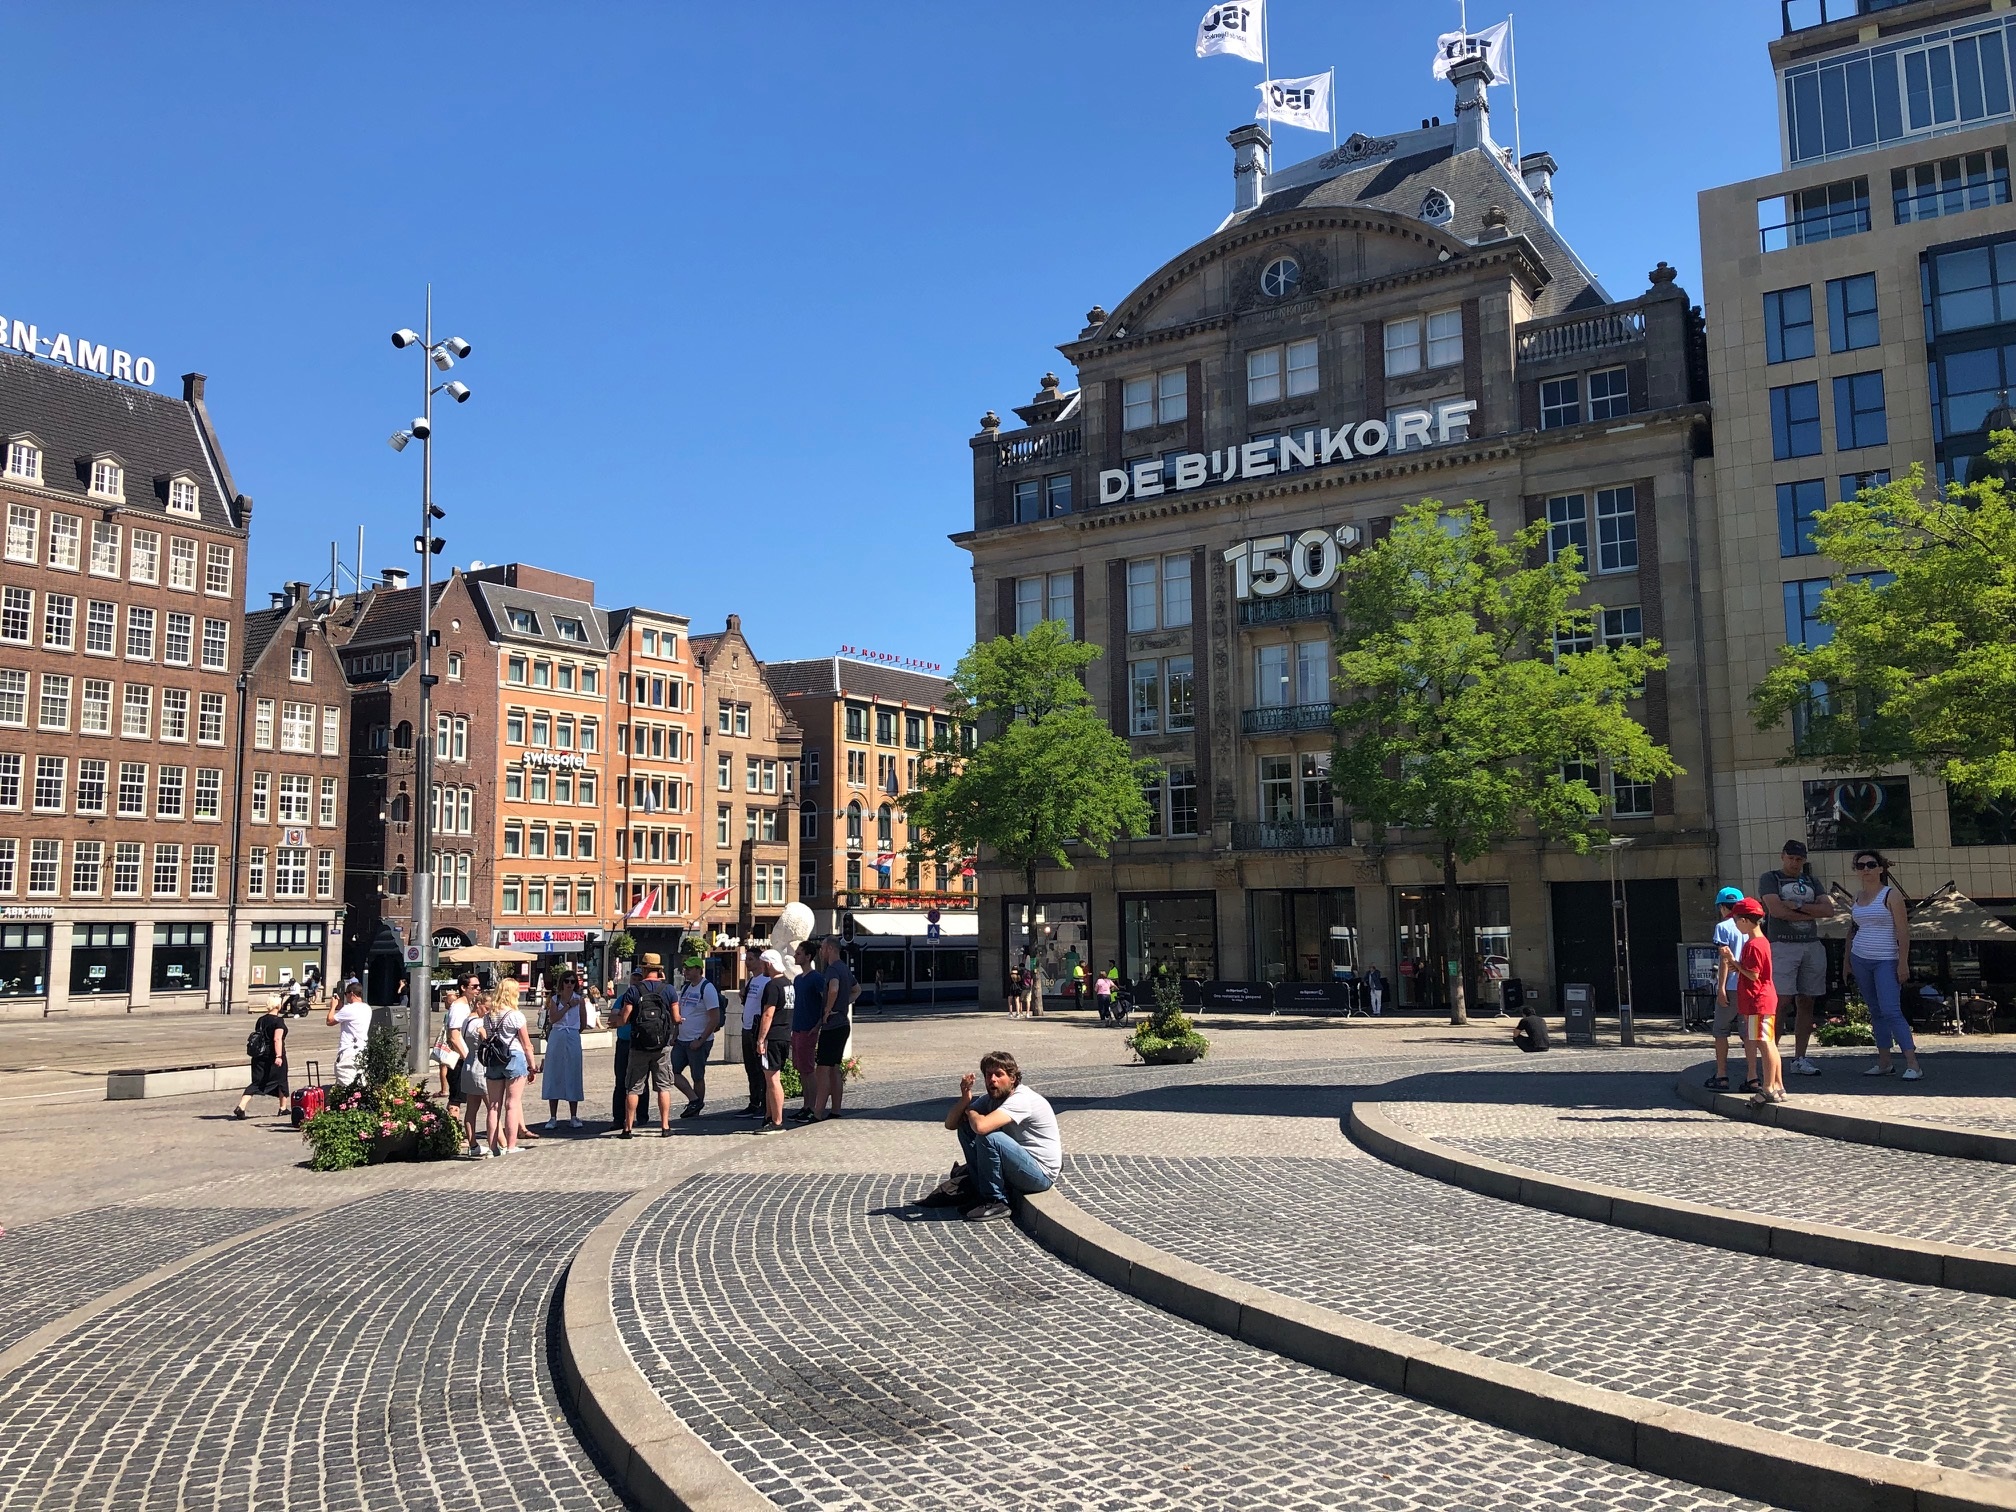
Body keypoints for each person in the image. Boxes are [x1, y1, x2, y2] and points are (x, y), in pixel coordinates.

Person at [938, 1050, 1062, 1222]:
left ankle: (996, 1201)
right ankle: (980, 1191)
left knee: (989, 1137)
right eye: (989, 1075)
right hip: (1019, 1165)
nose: (992, 1080)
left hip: (1040, 1175)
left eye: (999, 1075)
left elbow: (982, 1127)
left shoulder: (1021, 1099)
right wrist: (965, 1100)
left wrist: (972, 1112)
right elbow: (950, 1124)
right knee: (966, 1127)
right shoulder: (992, 1098)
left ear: (1013, 1078)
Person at [1760, 839, 1834, 1077]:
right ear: (1783, 856)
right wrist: (1808, 909)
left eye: (1799, 859)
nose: (1794, 863)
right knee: (1780, 1002)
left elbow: (1828, 910)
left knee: (1807, 1001)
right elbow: (1777, 911)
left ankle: (1800, 1057)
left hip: (1810, 944)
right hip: (1782, 944)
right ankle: (1772, 1056)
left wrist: (1796, 906)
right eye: (1791, 858)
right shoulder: (1770, 878)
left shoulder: (1812, 880)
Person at [1848, 849, 1922, 1080]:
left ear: (1880, 869)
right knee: (1876, 1011)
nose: (1866, 869)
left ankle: (1913, 1064)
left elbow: (1902, 931)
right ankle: (1884, 1061)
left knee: (1891, 1010)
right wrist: (1846, 962)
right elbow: (1852, 930)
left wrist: (1903, 962)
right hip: (1860, 957)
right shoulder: (1857, 897)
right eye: (1861, 866)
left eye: (1871, 865)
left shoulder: (1891, 895)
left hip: (1886, 958)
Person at [1723, 898, 1783, 1104]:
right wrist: (1737, 965)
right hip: (1762, 999)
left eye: (1737, 920)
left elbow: (1753, 975)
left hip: (1757, 1000)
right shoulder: (1760, 942)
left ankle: (1767, 1088)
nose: (1735, 923)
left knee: (1764, 1043)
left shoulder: (1754, 944)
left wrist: (1733, 962)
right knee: (1769, 1043)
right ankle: (1778, 1086)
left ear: (1746, 921)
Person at [615, 956, 678, 1138]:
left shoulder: (634, 990)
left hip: (639, 1045)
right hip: (662, 1046)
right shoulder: (669, 990)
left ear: (643, 970)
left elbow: (625, 1018)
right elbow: (675, 1017)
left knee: (633, 1087)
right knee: (663, 1087)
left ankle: (627, 1128)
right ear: (659, 969)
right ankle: (665, 1127)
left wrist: (616, 1021)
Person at [479, 980, 536, 1155]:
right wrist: (532, 1066)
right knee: (512, 1104)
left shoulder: (488, 1016)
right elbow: (527, 1045)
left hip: (494, 1060)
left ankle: (493, 1147)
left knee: (493, 1106)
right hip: (514, 1057)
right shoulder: (516, 1015)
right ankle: (511, 1146)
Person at [1706, 886, 1751, 1091]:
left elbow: (1725, 960)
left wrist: (1721, 987)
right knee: (1748, 1033)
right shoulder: (1751, 926)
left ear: (1723, 907)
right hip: (1749, 985)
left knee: (1721, 1030)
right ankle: (1753, 1076)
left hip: (1731, 984)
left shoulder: (1723, 927)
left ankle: (1722, 1074)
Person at [607, 955, 659, 1126]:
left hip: (640, 1042)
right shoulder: (625, 996)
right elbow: (614, 1014)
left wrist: (626, 1016)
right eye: (634, 977)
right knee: (621, 1081)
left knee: (641, 1082)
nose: (636, 980)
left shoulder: (648, 995)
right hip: (623, 1042)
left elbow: (620, 1017)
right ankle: (618, 1118)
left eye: (639, 977)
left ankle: (642, 1117)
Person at [671, 955, 723, 1119]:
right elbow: (680, 1014)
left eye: (689, 968)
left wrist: (701, 1040)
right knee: (671, 1072)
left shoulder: (707, 988)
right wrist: (675, 1035)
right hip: (682, 1040)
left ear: (698, 970)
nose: (685, 971)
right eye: (685, 968)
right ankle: (694, 1100)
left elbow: (715, 1018)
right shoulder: (686, 988)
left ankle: (696, 1107)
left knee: (697, 1076)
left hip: (699, 1041)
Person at [813, 935, 858, 1121]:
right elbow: (857, 990)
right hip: (843, 1024)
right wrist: (843, 1005)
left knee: (823, 1069)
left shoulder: (832, 969)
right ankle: (836, 1109)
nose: (821, 952)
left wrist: (828, 1009)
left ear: (830, 949)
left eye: (823, 948)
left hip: (832, 1025)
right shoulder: (844, 968)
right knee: (835, 1068)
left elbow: (833, 988)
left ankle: (817, 1112)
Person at [752, 949, 792, 1135]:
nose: (761, 967)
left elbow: (768, 1013)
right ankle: (770, 1116)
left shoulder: (773, 985)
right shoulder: (788, 984)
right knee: (771, 1078)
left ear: (768, 964)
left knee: (772, 1078)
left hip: (773, 1036)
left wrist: (761, 1039)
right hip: (785, 1034)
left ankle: (777, 1121)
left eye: (762, 964)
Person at [542, 970, 587, 1128]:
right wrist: (567, 1006)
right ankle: (553, 1116)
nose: (569, 984)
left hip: (572, 1036)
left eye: (572, 981)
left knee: (573, 1073)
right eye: (567, 981)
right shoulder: (555, 999)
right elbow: (553, 1018)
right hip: (557, 1035)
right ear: (562, 983)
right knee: (554, 1073)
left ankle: (573, 1115)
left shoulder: (580, 1000)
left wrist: (574, 1032)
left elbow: (583, 1022)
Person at [788, 942, 826, 1122]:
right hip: (797, 1028)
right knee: (801, 1069)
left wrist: (818, 1024)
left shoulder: (816, 978)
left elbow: (825, 1001)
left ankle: (813, 1106)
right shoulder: (797, 979)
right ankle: (806, 1105)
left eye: (798, 953)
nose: (795, 956)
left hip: (808, 1029)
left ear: (808, 957)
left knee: (808, 1069)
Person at [234, 1002, 289, 1119]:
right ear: (278, 1006)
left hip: (259, 1055)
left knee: (257, 1082)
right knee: (281, 1080)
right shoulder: (278, 1021)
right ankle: (283, 1108)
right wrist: (278, 1056)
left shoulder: (261, 1020)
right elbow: (277, 1039)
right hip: (273, 1056)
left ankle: (241, 1106)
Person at [739, 954, 776, 1117]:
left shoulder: (766, 981)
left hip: (757, 1028)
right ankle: (754, 1101)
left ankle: (763, 1103)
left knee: (761, 1068)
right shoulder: (751, 981)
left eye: (751, 959)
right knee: (750, 1068)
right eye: (747, 959)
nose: (747, 962)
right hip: (746, 1028)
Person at [327, 983, 371, 1086]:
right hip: (362, 1050)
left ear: (351, 993)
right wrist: (341, 1006)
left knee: (346, 1083)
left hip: (349, 1051)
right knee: (360, 1082)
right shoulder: (367, 1008)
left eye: (346, 994)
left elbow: (329, 1021)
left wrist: (333, 1006)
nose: (346, 996)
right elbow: (349, 1014)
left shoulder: (348, 1009)